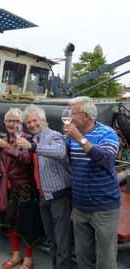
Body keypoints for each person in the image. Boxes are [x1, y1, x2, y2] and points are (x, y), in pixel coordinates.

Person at [64, 96, 120, 269]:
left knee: (105, 260)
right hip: (80, 207)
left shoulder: (107, 133)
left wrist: (80, 138)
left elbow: (105, 160)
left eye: (72, 113)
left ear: (86, 116)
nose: (69, 116)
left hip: (104, 209)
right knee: (83, 257)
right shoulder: (71, 135)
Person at [17, 104, 72, 269]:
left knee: (62, 242)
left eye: (35, 120)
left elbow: (60, 152)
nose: (32, 124)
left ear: (43, 120)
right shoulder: (33, 138)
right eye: (29, 123)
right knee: (51, 241)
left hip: (58, 196)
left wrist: (33, 147)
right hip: (43, 196)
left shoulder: (53, 135)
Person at [0, 108, 43, 269]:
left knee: (27, 225)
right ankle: (15, 255)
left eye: (15, 121)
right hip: (7, 187)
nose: (11, 124)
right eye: (8, 120)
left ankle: (28, 259)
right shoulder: (3, 138)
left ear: (21, 124)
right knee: (10, 223)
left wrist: (6, 146)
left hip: (24, 189)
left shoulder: (26, 138)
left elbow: (26, 159)